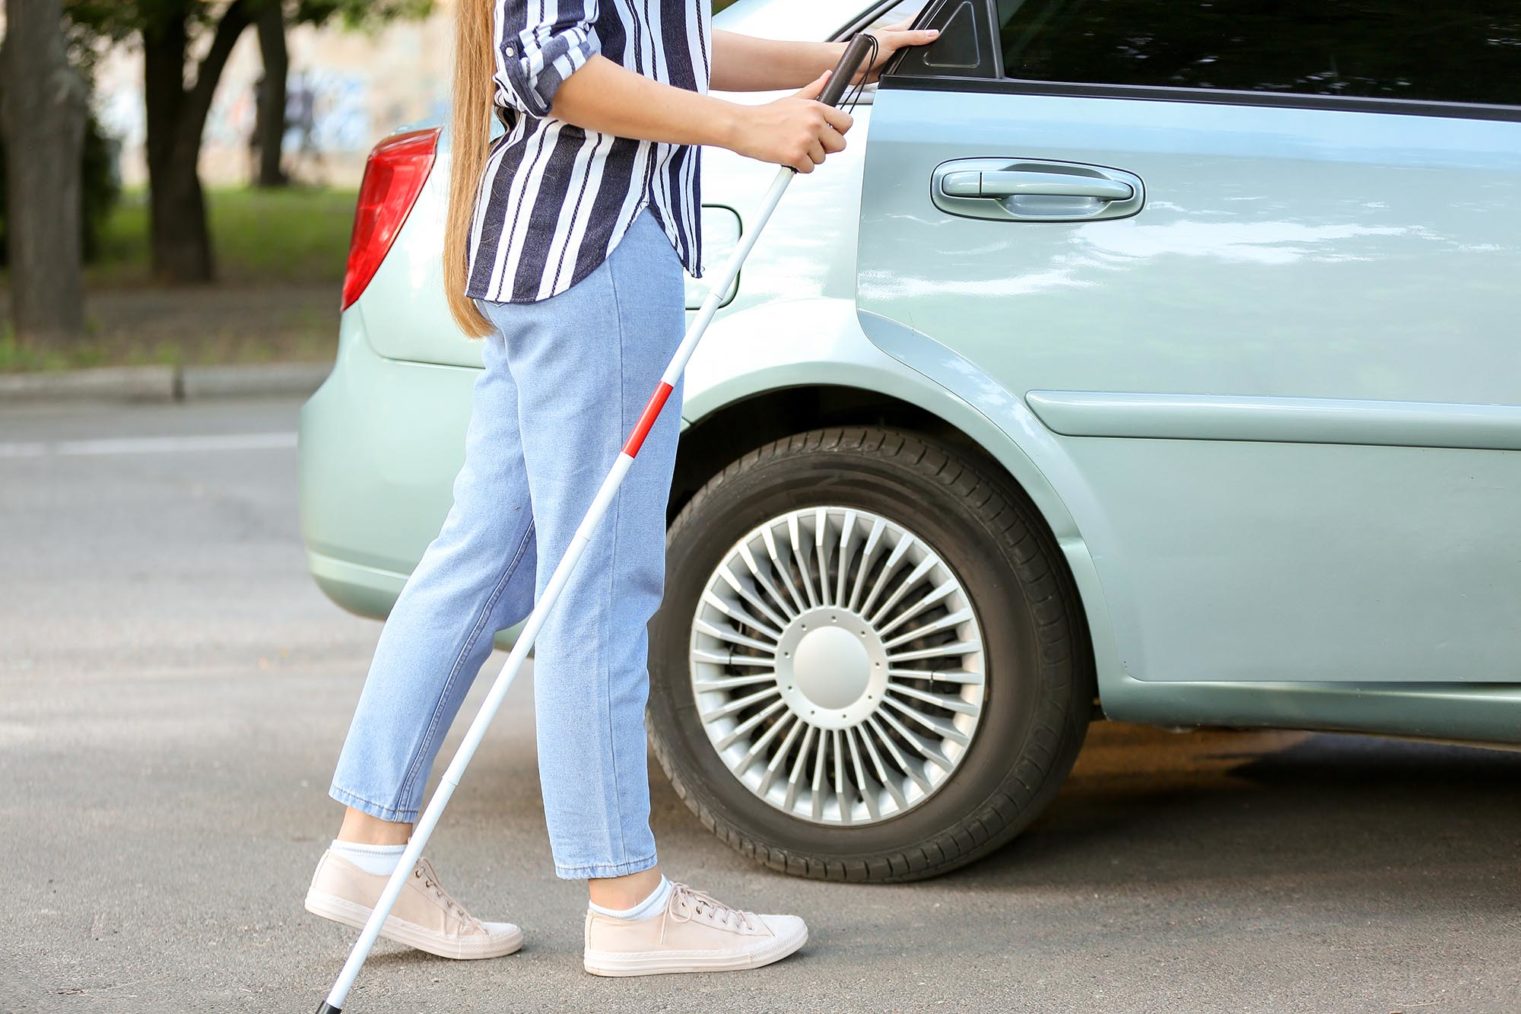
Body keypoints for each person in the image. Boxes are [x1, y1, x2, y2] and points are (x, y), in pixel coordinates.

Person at [303, 0, 940, 977]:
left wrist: (825, 61)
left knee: (485, 560)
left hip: (545, 250)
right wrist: (746, 124)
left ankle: (366, 847)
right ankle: (626, 902)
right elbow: (548, 64)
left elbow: (653, 40)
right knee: (598, 585)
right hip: (595, 255)